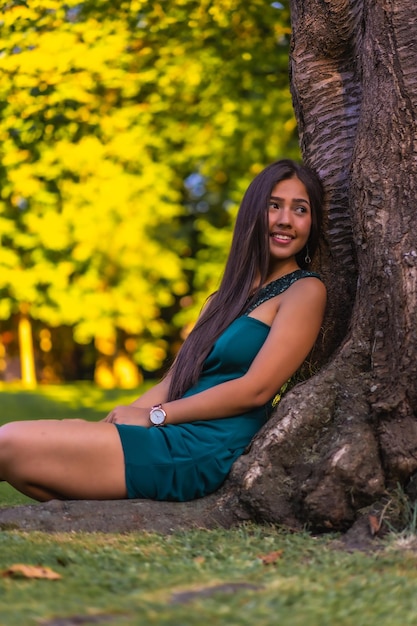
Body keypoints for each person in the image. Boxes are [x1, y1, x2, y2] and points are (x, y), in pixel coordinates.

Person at [0, 159, 326, 502]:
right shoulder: (221, 300)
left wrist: (154, 417)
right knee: (23, 464)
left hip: (202, 447)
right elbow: (175, 381)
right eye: (273, 205)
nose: (285, 220)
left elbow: (255, 390)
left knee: (9, 442)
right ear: (253, 213)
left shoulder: (304, 291)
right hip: (169, 432)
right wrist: (110, 425)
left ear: (312, 223)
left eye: (300, 210)